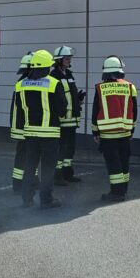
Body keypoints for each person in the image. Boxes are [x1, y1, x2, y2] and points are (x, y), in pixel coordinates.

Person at [16, 49, 67, 209]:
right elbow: (62, 110)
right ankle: (46, 200)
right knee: (47, 168)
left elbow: (20, 108)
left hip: (30, 133)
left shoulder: (20, 85)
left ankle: (26, 199)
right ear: (46, 66)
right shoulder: (53, 83)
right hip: (49, 133)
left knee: (30, 166)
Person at [91, 55, 138, 202]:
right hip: (125, 133)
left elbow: (95, 110)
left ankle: (116, 193)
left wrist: (95, 131)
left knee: (113, 163)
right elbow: (135, 110)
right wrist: (132, 129)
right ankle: (123, 190)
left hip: (108, 134)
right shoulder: (130, 86)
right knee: (124, 162)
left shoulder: (100, 88)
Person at [51, 45, 84, 185]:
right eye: (66, 58)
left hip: (72, 119)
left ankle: (67, 173)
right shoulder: (54, 76)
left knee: (70, 148)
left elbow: (69, 94)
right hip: (62, 120)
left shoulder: (69, 74)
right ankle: (57, 176)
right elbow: (55, 98)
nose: (69, 60)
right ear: (59, 60)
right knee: (61, 148)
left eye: (70, 58)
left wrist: (78, 98)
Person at [9, 52, 34, 195]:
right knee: (26, 155)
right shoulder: (26, 84)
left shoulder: (21, 82)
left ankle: (21, 182)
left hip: (20, 127)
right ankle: (19, 184)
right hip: (26, 128)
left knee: (25, 155)